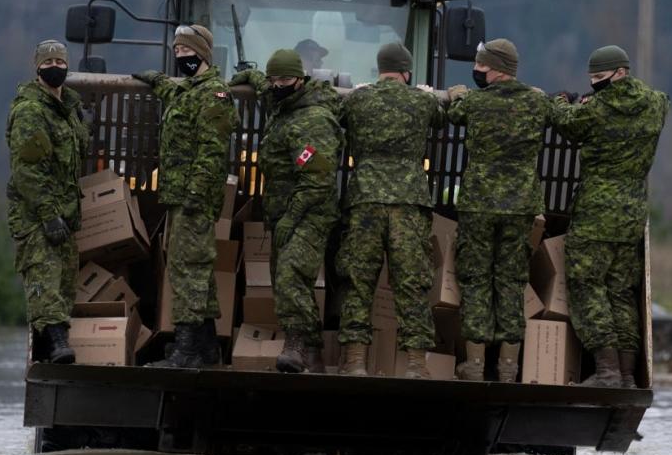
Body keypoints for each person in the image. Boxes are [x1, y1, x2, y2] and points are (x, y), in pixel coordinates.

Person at [553, 45, 669, 387]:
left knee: (587, 286)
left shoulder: (596, 111)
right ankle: (628, 375)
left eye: (599, 79)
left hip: (596, 213)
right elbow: (662, 101)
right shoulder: (655, 103)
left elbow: (566, 123)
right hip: (632, 212)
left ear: (619, 73)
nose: (595, 85)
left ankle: (605, 371)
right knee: (620, 291)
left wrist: (563, 100)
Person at [445, 39, 556, 383]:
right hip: (520, 205)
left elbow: (453, 112)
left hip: (479, 204)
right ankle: (509, 366)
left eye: (480, 66)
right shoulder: (536, 102)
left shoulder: (475, 104)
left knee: (476, 279)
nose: (476, 71)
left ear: (496, 68)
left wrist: (458, 93)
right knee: (511, 281)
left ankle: (475, 365)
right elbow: (557, 113)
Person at [133, 24, 239, 368]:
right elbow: (177, 97)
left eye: (187, 51)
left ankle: (187, 351)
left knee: (187, 269)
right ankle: (206, 347)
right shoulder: (192, 91)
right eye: (177, 52)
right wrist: (158, 81)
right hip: (181, 196)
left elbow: (212, 151)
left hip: (194, 198)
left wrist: (195, 193)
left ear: (203, 54)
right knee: (195, 271)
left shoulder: (214, 96)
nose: (181, 57)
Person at [336, 42, 444, 378]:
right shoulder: (422, 100)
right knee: (411, 282)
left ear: (379, 69)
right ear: (406, 71)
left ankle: (355, 361)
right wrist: (425, 93)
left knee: (358, 281)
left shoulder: (358, 100)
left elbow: (337, 115)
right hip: (408, 202)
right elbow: (441, 119)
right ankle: (415, 364)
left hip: (365, 198)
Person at [231, 50, 343, 373]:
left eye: (284, 79)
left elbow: (318, 182)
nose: (277, 85)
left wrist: (292, 219)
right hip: (285, 210)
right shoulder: (283, 104)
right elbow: (267, 89)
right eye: (273, 79)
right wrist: (250, 77)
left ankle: (298, 344)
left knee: (291, 275)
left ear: (300, 81)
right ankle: (313, 354)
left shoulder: (313, 121)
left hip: (310, 212)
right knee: (286, 282)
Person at [6, 40, 88, 364]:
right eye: (48, 61)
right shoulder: (30, 111)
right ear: (37, 68)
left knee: (65, 282)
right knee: (44, 278)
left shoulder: (67, 108)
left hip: (65, 213)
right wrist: (47, 213)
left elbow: (73, 155)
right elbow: (27, 170)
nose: (55, 66)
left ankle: (46, 354)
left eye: (60, 60)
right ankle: (55, 344)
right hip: (37, 215)